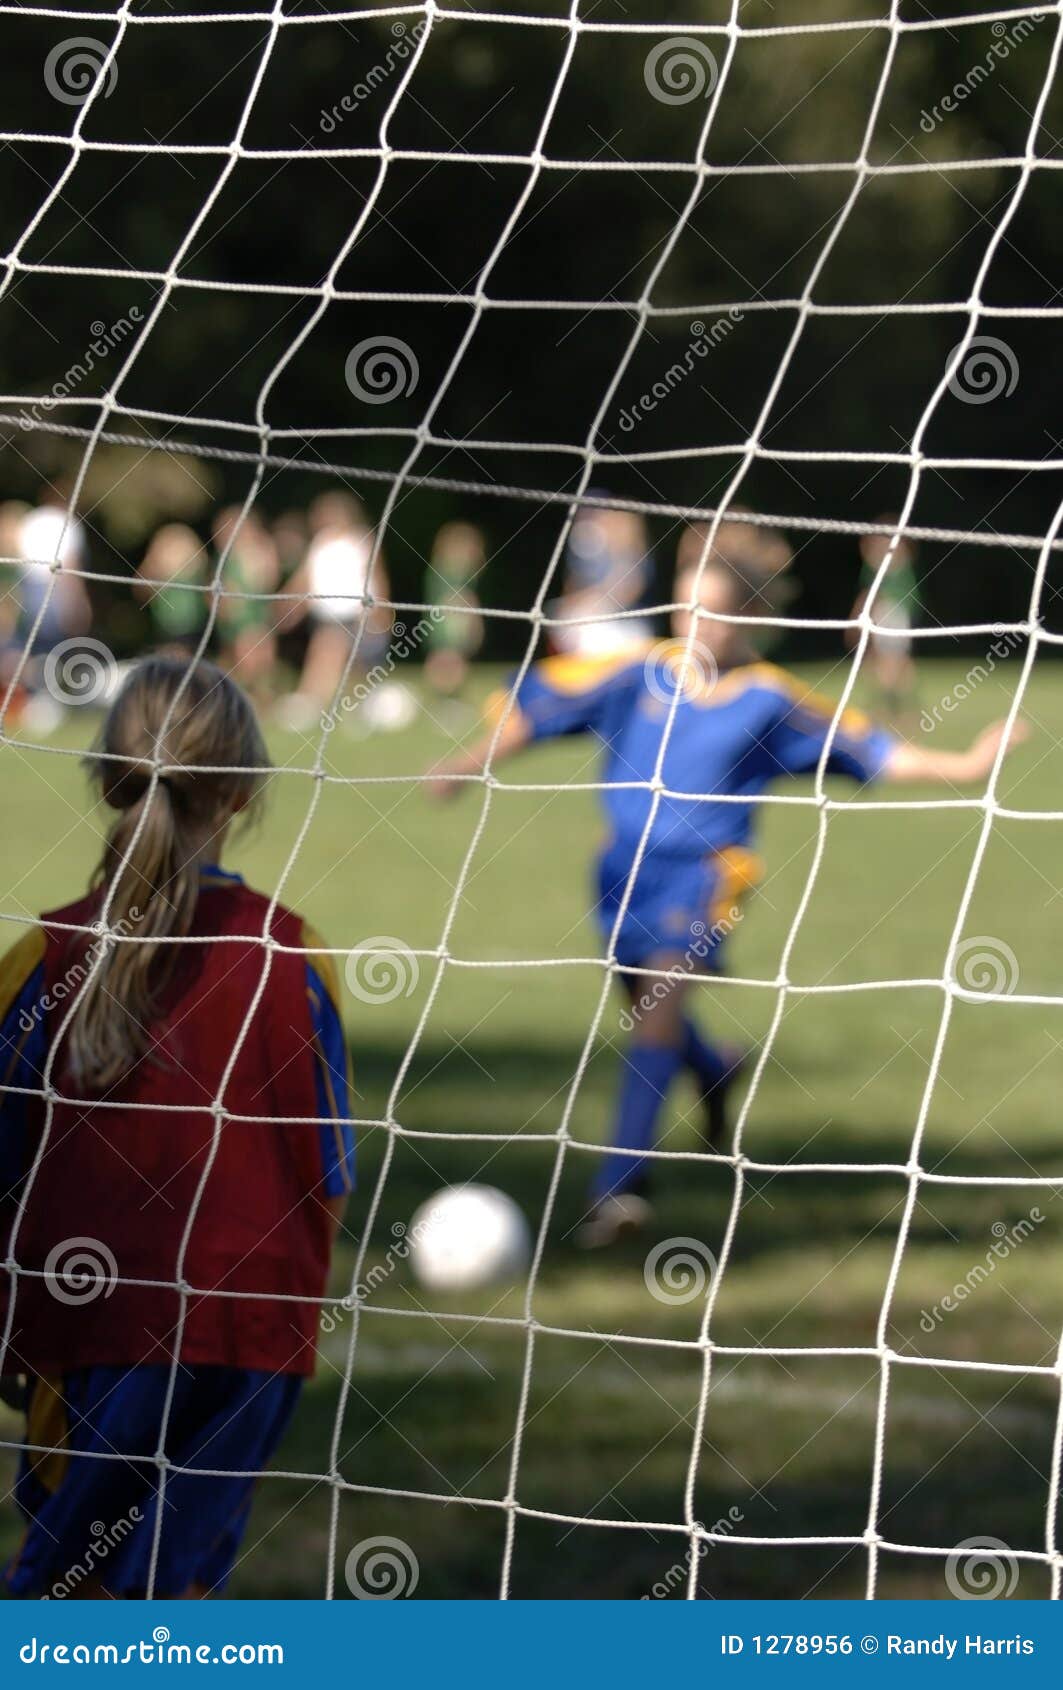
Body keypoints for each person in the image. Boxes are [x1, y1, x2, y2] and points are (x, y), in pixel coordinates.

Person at [430, 558, 1028, 1247]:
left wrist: (967, 766)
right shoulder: (640, 672)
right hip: (620, 873)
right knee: (649, 1010)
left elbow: (869, 748)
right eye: (686, 609)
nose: (697, 626)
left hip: (706, 876)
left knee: (654, 1016)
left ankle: (619, 1191)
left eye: (713, 612)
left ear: (749, 618)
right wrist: (465, 765)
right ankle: (714, 1071)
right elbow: (539, 715)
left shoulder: (768, 699)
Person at [0, 657, 353, 1598]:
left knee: (68, 1591)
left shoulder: (44, 957)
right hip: (253, 1335)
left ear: (107, 778)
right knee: (172, 1591)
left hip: (92, 1325)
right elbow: (330, 1174)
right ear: (242, 793)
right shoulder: (295, 955)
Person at [277, 490, 390, 730]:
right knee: (326, 654)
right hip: (327, 615)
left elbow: (377, 576)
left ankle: (352, 706)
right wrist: (289, 603)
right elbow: (305, 578)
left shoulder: (362, 540)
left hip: (357, 613)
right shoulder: (319, 543)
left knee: (355, 665)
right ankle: (311, 703)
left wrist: (381, 608)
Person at [10, 481, 93, 733]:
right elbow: (69, 564)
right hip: (54, 588)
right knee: (53, 648)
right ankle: (46, 703)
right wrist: (78, 601)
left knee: (34, 648)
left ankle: (37, 700)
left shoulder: (31, 520)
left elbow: (18, 556)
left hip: (28, 588)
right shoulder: (67, 523)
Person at [549, 503, 653, 656]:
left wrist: (594, 602)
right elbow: (574, 587)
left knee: (587, 629)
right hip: (597, 619)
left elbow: (627, 592)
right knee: (562, 615)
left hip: (626, 626)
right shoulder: (598, 556)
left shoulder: (635, 559)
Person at [849, 518, 921, 723]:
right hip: (883, 613)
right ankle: (890, 706)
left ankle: (901, 708)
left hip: (893, 613)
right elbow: (868, 594)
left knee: (893, 661)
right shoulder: (875, 567)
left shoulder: (893, 562)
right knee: (880, 659)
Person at [213, 505, 280, 705]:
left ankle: (258, 697)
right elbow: (220, 585)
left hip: (256, 612)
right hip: (236, 615)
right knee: (238, 658)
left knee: (262, 657)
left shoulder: (261, 550)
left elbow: (269, 579)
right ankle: (234, 695)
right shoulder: (226, 557)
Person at [423, 521, 485, 713]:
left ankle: (448, 698)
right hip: (450, 621)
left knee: (450, 658)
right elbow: (457, 597)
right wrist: (473, 617)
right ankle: (445, 699)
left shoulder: (454, 571)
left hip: (452, 620)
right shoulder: (449, 571)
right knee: (449, 658)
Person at [135, 522, 209, 654]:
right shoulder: (156, 565)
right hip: (166, 628)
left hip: (191, 627)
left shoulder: (196, 567)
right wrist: (156, 570)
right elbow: (139, 588)